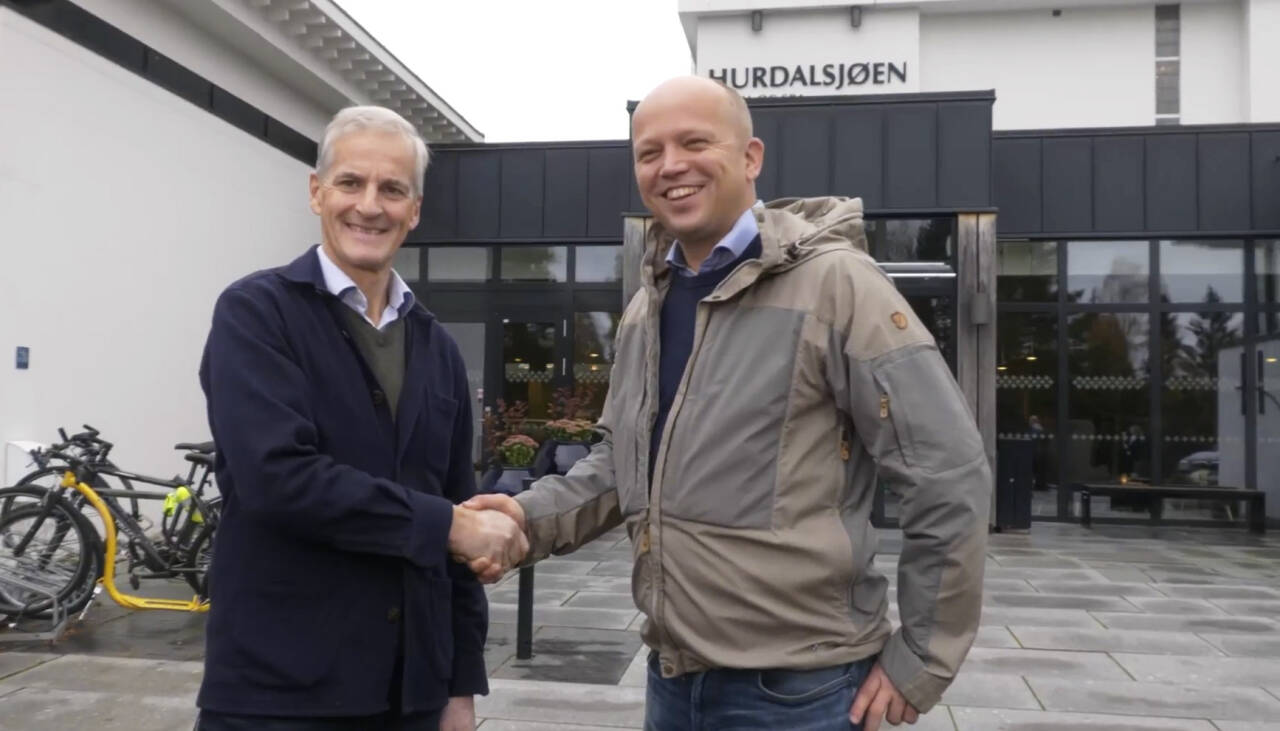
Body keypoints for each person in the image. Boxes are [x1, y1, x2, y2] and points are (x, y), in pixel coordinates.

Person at [464, 76, 991, 731]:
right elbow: (621, 468)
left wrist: (922, 659)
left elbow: (947, 469)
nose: (670, 166)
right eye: (649, 151)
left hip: (802, 695)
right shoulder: (644, 310)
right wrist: (520, 516)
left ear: (750, 157)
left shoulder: (837, 286)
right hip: (673, 682)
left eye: (694, 142)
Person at [195, 106, 527, 731]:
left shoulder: (438, 349)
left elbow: (457, 504)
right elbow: (278, 479)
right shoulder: (256, 314)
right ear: (317, 192)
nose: (369, 206)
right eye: (351, 183)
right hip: (280, 697)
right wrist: (448, 527)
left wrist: (460, 688)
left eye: (392, 189)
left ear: (415, 209)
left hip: (412, 698)